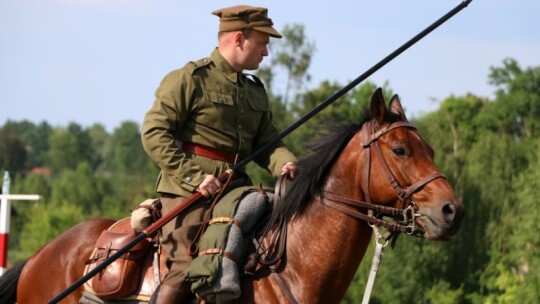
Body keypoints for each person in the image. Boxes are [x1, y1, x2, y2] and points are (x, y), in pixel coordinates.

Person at [141, 5, 298, 303]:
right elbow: (153, 133)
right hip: (189, 194)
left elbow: (268, 142)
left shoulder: (254, 91)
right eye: (262, 43)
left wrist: (284, 162)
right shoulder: (190, 79)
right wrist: (196, 177)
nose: (266, 53)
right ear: (239, 38)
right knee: (188, 268)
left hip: (236, 189)